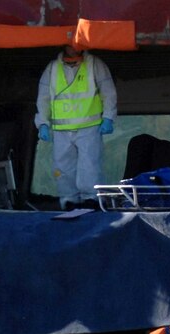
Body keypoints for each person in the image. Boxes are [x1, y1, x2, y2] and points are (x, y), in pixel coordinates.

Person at [35, 44, 117, 210]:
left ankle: (91, 200)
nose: (74, 47)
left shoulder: (95, 64)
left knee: (90, 165)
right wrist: (42, 123)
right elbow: (43, 98)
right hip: (61, 130)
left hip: (89, 126)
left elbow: (108, 92)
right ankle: (69, 201)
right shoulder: (52, 69)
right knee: (63, 168)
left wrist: (108, 117)